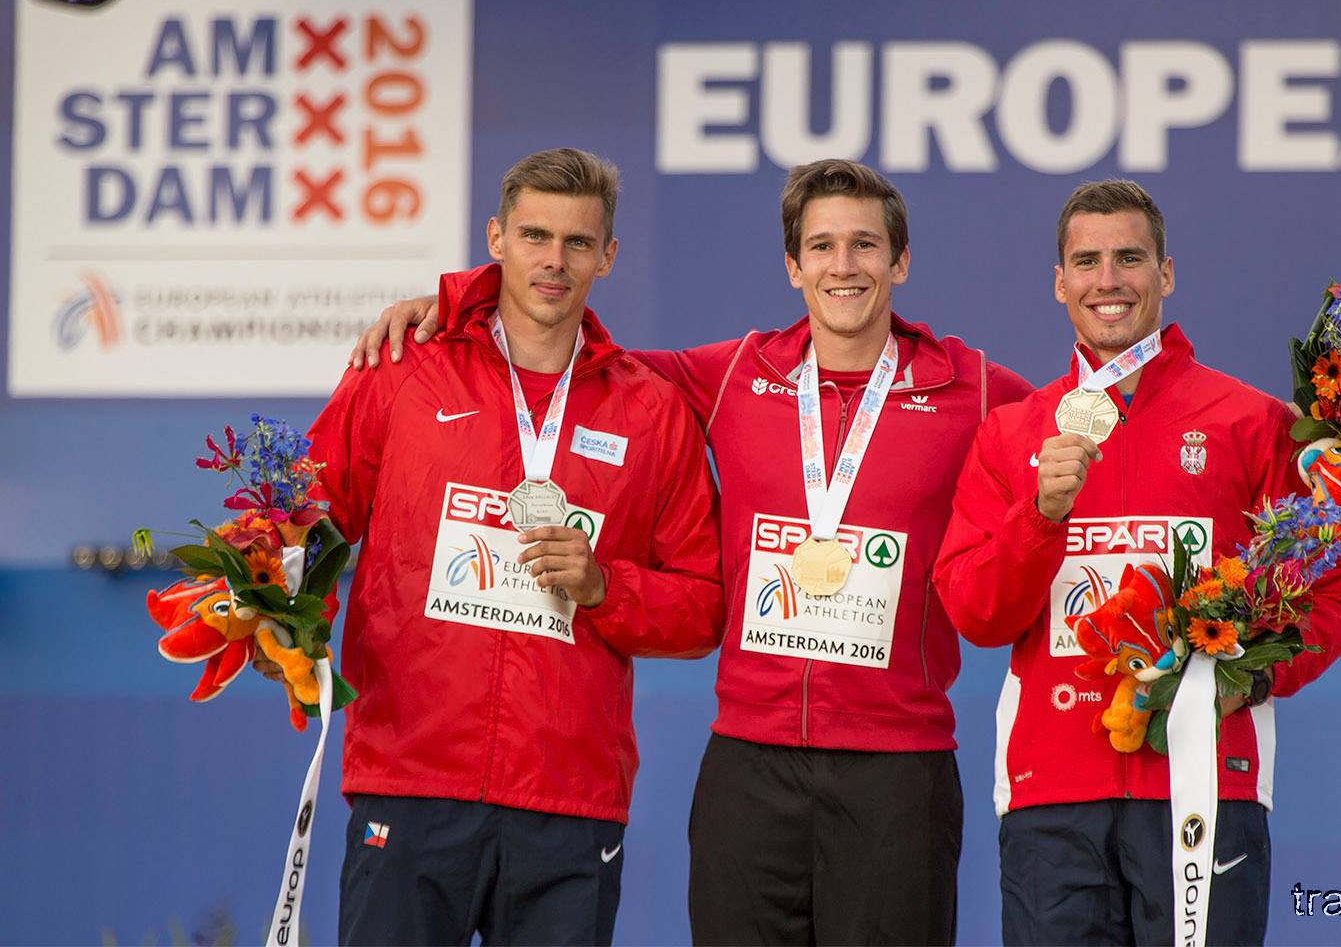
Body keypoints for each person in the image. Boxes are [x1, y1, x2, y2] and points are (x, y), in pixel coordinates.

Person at [348, 159, 1033, 945]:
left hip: (898, 766)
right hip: (751, 762)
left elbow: (1077, 427)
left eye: (865, 245)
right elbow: (559, 335)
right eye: (821, 247)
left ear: (900, 261)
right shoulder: (736, 373)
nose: (843, 266)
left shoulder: (975, 388)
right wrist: (451, 302)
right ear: (792, 264)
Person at [298, 147, 725, 946]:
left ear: (608, 256)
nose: (553, 262)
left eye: (576, 243)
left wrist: (606, 588)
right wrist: (274, 612)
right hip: (411, 774)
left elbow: (703, 607)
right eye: (534, 236)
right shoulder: (403, 367)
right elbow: (309, 523)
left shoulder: (650, 412)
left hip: (567, 801)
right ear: (496, 237)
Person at [932, 179, 1341, 945]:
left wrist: (1252, 679)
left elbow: (1335, 593)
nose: (1109, 280)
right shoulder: (1012, 435)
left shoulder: (1250, 424)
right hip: (1051, 800)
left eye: (1130, 258)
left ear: (1166, 274)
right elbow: (975, 611)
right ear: (1059, 282)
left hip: (1205, 790)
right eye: (1088, 261)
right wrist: (1039, 518)